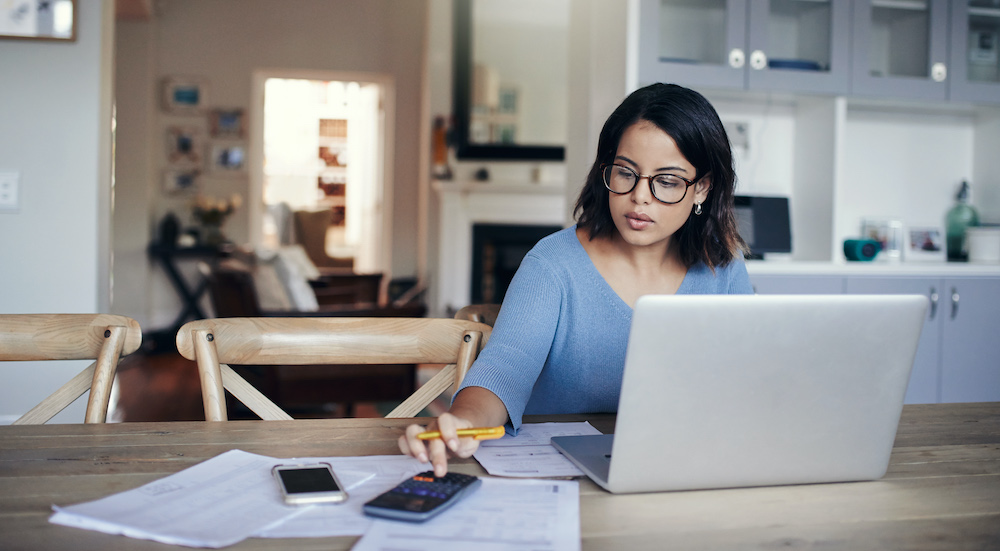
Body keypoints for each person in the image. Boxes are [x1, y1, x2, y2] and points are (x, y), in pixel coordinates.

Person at [400, 83, 753, 476]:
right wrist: (463, 422)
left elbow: (748, 383)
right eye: (626, 173)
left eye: (667, 181)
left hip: (679, 469)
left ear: (702, 187)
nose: (640, 197)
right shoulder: (552, 265)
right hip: (558, 475)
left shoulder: (724, 267)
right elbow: (503, 370)